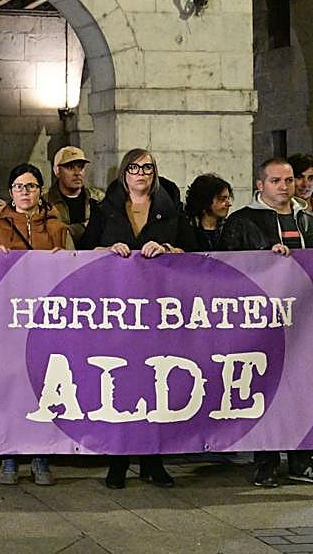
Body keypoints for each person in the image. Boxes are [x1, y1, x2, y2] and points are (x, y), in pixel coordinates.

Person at [78, 148, 190, 490]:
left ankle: (153, 461)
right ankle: (118, 460)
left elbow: (196, 252)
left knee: (156, 386)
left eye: (148, 168)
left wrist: (169, 250)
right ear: (124, 173)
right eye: (134, 167)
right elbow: (83, 251)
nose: (141, 173)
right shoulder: (106, 209)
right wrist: (105, 251)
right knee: (121, 384)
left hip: (159, 311)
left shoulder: (170, 210)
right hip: (117, 312)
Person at [216, 157, 313, 487]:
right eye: (276, 181)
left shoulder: (307, 219)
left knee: (302, 389)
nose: (284, 187)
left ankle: (301, 460)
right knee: (266, 388)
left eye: (288, 180)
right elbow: (226, 264)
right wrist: (262, 259)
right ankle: (266, 462)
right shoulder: (243, 221)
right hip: (263, 321)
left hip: (303, 318)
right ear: (261, 185)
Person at [0, 163, 71, 486]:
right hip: (9, 319)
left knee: (44, 385)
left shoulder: (58, 228)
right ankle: (9, 454)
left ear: (40, 190)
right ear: (11, 192)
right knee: (10, 385)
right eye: (19, 187)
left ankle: (41, 454)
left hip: (47, 319)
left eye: (30, 186)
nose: (25, 192)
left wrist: (65, 259)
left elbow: (73, 273)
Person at [44, 146, 104, 244]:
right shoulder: (45, 201)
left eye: (80, 167)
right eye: (70, 167)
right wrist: (82, 228)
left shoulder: (98, 199)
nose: (77, 173)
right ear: (56, 171)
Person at [183, 174, 233, 251]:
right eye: (222, 199)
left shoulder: (230, 229)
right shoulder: (186, 231)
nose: (229, 204)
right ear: (205, 201)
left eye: (228, 198)